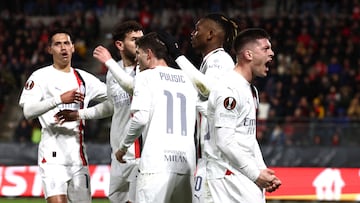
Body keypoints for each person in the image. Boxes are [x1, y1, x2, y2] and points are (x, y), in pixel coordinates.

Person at [54, 20, 144, 203]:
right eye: (135, 40)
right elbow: (111, 106)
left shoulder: (146, 70)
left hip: (140, 154)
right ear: (119, 44)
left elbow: (133, 89)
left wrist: (109, 62)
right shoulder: (113, 72)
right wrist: (79, 114)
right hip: (118, 153)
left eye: (141, 40)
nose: (140, 44)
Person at [18, 29, 107, 203]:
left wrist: (81, 114)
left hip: (78, 156)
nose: (63, 47)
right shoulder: (40, 76)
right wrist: (59, 99)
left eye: (66, 43)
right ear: (50, 50)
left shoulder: (84, 78)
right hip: (52, 156)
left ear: (73, 48)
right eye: (57, 44)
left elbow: (113, 100)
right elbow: (28, 112)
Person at [158, 13, 239, 202]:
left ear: (210, 34)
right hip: (208, 159)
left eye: (197, 30)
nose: (192, 34)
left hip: (216, 163)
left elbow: (206, 87)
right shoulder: (209, 61)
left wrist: (177, 54)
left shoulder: (220, 60)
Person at [116, 32, 198, 203]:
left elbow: (139, 119)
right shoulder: (188, 78)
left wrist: (123, 147)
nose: (136, 60)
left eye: (138, 54)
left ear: (149, 54)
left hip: (156, 163)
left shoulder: (145, 77)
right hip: (186, 165)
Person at [206, 28, 281, 202]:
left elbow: (248, 137)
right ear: (248, 54)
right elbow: (224, 141)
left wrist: (262, 171)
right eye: (265, 48)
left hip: (243, 176)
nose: (272, 53)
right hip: (226, 177)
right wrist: (255, 174)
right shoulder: (229, 89)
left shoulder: (250, 89)